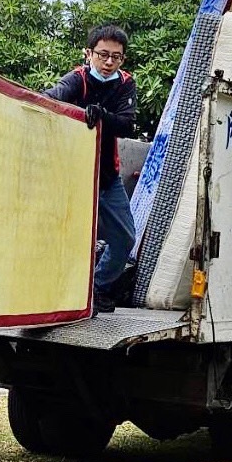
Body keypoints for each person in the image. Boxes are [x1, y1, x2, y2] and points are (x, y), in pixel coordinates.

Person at [45, 24, 137, 314]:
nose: (109, 62)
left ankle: (96, 288)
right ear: (89, 54)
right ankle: (68, 296)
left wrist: (101, 116)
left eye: (116, 57)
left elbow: (126, 123)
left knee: (125, 238)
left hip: (108, 177)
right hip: (73, 177)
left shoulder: (125, 83)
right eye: (103, 55)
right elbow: (51, 96)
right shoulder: (78, 79)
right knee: (71, 239)